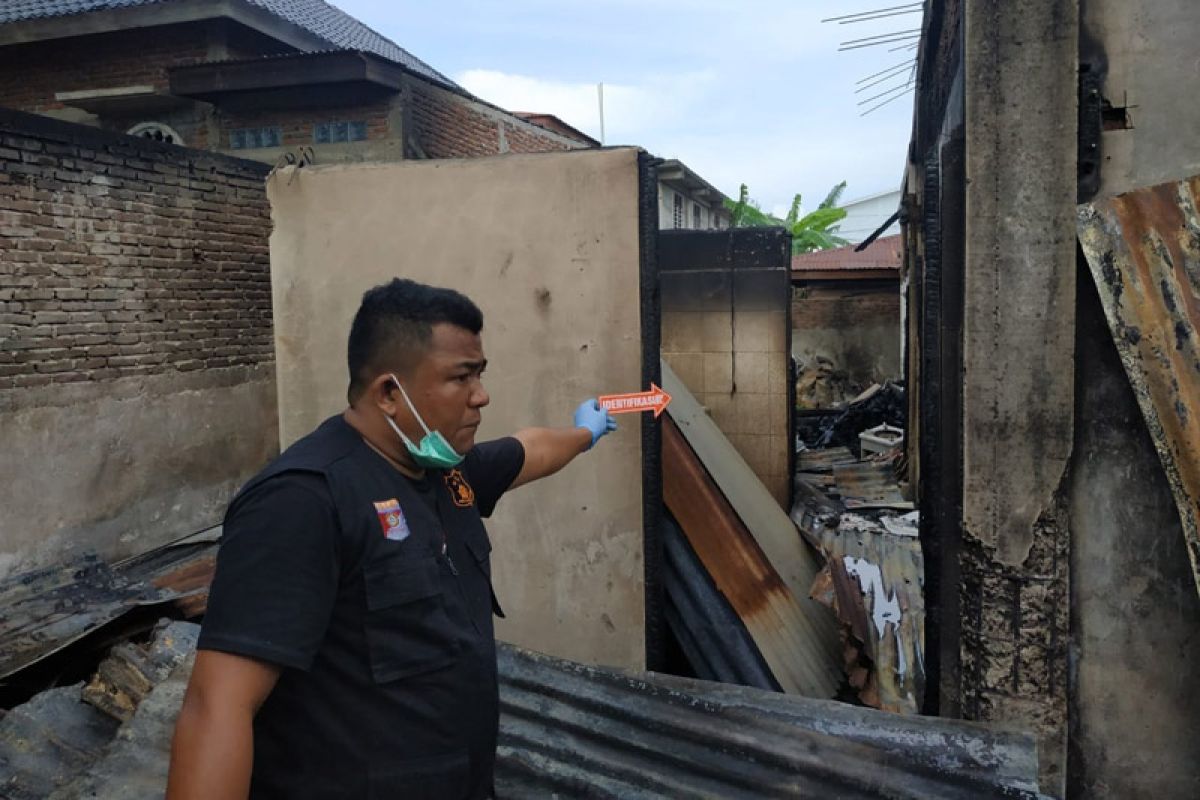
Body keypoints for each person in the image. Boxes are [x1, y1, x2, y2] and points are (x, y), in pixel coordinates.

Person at [166, 278, 617, 799]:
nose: (482, 395)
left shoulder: (444, 471)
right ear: (388, 393)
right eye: (461, 377)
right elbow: (217, 707)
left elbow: (529, 450)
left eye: (481, 373)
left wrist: (586, 433)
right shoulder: (304, 501)